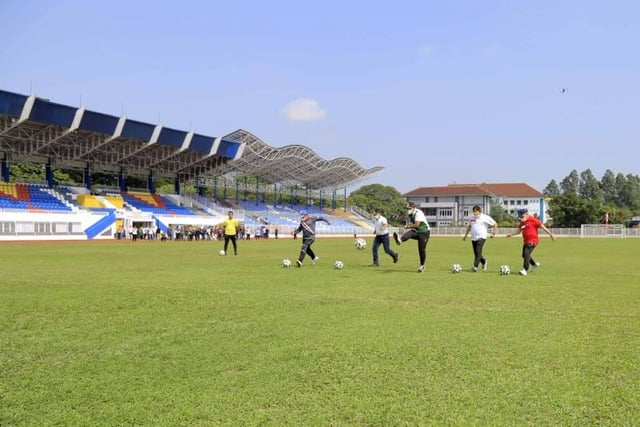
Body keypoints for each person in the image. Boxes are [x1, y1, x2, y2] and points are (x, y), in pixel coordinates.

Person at [506, 208, 556, 276]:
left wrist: (551, 234)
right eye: (520, 216)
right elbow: (518, 231)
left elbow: (543, 227)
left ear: (526, 214)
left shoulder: (533, 220)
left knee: (526, 253)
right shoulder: (522, 222)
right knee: (524, 255)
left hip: (533, 240)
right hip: (526, 241)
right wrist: (511, 234)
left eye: (522, 216)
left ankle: (524, 270)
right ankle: (534, 264)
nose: (521, 217)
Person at [392, 201, 431, 273]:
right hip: (417, 231)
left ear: (413, 207)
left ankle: (422, 266)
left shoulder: (418, 213)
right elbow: (403, 216)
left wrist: (407, 226)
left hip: (424, 232)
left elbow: (417, 224)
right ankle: (400, 240)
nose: (408, 210)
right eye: (407, 208)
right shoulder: (411, 213)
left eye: (409, 208)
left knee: (421, 249)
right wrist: (397, 217)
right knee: (410, 233)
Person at [463, 205, 498, 272]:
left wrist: (493, 234)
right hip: (473, 237)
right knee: (477, 254)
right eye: (473, 211)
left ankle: (475, 267)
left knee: (478, 250)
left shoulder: (485, 217)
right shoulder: (472, 217)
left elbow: (495, 224)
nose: (474, 213)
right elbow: (469, 226)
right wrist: (465, 236)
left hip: (482, 237)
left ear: (479, 211)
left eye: (476, 211)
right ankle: (484, 262)